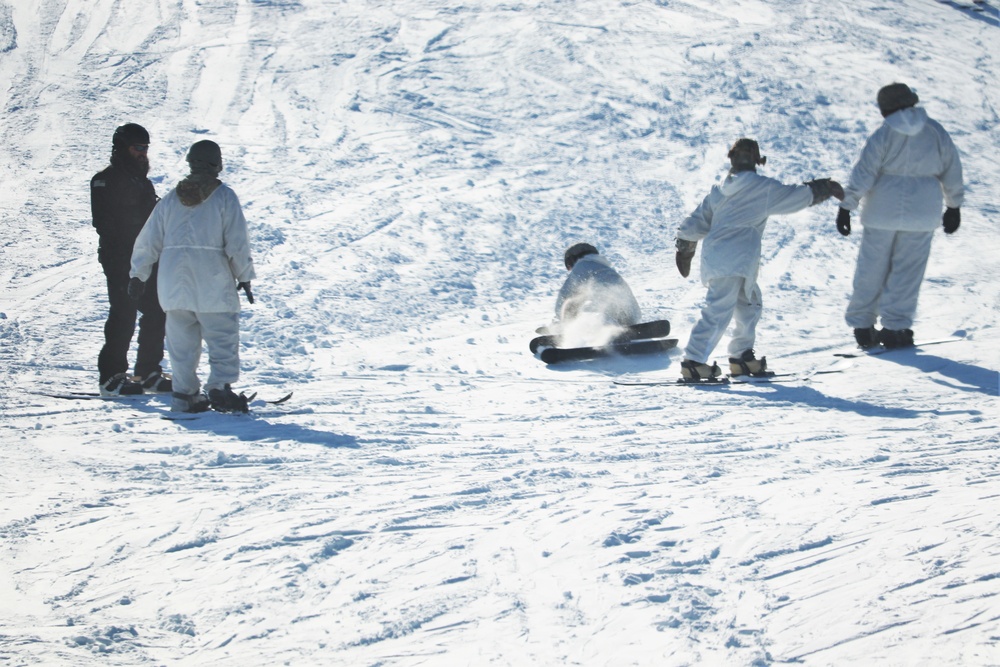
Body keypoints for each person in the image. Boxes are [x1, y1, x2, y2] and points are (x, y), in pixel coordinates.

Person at [675, 138, 843, 381]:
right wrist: (824, 187)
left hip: (728, 259)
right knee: (719, 308)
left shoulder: (719, 191)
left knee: (750, 305)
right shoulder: (762, 187)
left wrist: (685, 247)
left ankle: (741, 357)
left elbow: (695, 223)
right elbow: (795, 196)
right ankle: (693, 361)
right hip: (735, 259)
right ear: (757, 160)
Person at [129, 140, 256, 413]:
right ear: (216, 163)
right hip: (212, 281)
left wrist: (138, 274)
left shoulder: (171, 199)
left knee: (181, 344)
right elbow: (237, 243)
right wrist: (244, 275)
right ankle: (219, 388)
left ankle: (184, 395)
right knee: (222, 338)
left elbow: (148, 239)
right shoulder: (224, 197)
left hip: (173, 284)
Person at [836, 83, 964, 349]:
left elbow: (865, 172)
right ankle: (895, 329)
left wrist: (847, 206)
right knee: (907, 271)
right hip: (922, 212)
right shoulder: (935, 131)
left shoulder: (884, 134)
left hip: (881, 210)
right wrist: (954, 205)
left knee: (871, 267)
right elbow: (952, 168)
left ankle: (863, 325)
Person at [91, 123, 171, 396]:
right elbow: (105, 222)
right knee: (123, 312)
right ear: (121, 148)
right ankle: (111, 377)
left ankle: (148, 372)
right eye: (138, 147)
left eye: (145, 148)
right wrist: (131, 248)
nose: (142, 153)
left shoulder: (143, 182)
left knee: (157, 311)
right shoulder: (105, 180)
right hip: (121, 258)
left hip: (147, 258)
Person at [551, 243, 642, 342]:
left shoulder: (582, 265)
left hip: (606, 311)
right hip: (630, 314)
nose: (570, 269)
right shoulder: (607, 269)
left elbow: (565, 295)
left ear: (574, 259)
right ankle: (618, 329)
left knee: (575, 304)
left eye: (569, 266)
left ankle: (608, 332)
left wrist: (560, 322)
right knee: (586, 298)